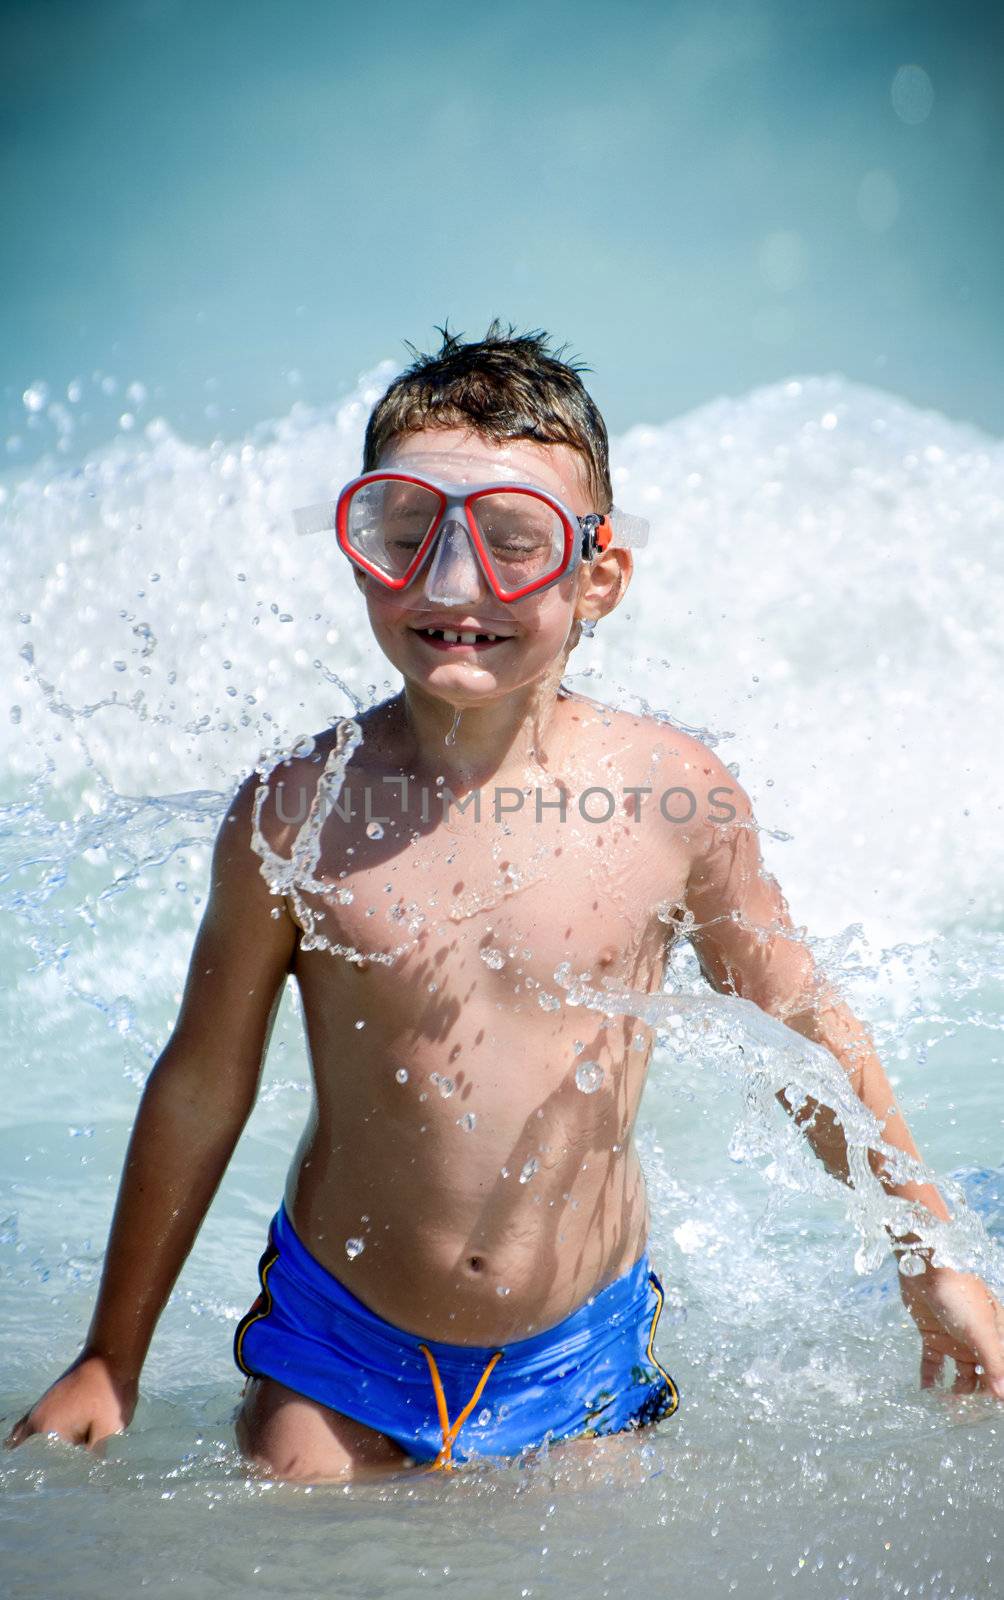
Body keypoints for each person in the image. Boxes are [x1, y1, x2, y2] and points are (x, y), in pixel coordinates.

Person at [6, 326, 1003, 1480]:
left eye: (511, 543)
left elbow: (800, 1026)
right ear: (360, 550)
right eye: (404, 533)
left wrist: (927, 1255)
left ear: (596, 579)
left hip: (578, 1347)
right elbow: (201, 1077)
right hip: (340, 1341)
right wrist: (109, 1357)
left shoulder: (667, 799)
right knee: (285, 1527)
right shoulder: (296, 811)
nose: (449, 583)